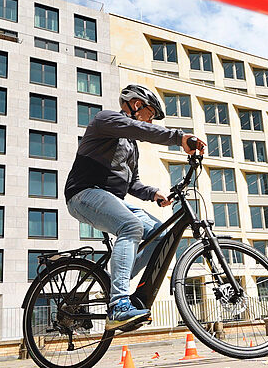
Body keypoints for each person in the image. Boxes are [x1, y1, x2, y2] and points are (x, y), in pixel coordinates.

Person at [64, 84, 205, 332]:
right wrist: (178, 137)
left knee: (161, 235)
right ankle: (119, 304)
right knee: (131, 226)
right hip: (83, 193)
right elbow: (139, 129)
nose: (150, 121)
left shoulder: (131, 147)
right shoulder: (106, 119)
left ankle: (114, 285)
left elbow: (133, 183)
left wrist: (153, 193)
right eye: (150, 114)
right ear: (136, 104)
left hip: (113, 198)